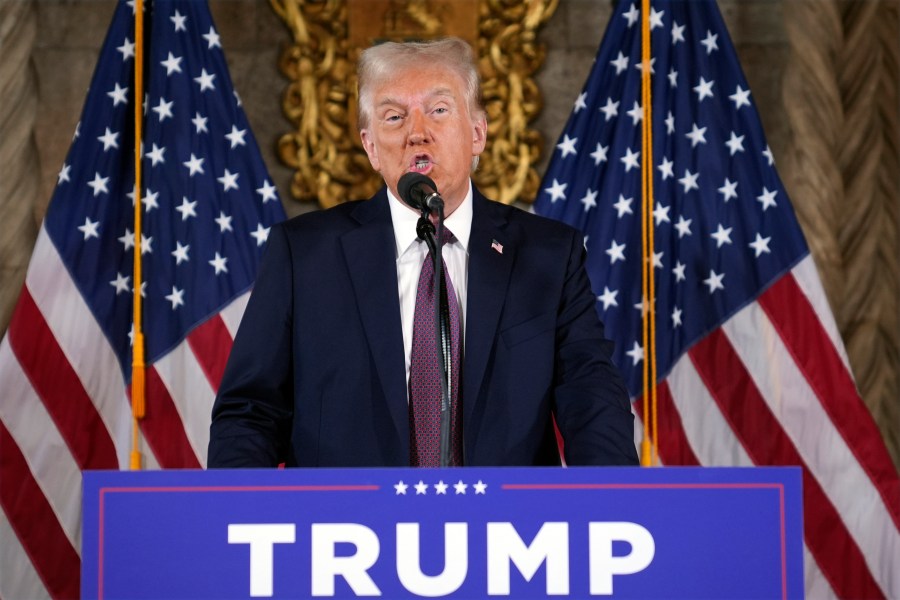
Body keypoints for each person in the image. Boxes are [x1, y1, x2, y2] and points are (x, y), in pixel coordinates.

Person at [208, 37, 638, 468]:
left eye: (438, 110)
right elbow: (250, 413)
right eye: (394, 117)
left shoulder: (547, 254)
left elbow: (592, 398)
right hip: (345, 525)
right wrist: (237, 517)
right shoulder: (303, 255)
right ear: (371, 146)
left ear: (477, 133)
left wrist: (615, 506)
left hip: (503, 524)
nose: (417, 132)